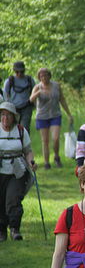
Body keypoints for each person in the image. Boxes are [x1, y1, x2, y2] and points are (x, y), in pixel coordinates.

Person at [0, 102, 37, 241]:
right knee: (1, 200)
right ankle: (1, 230)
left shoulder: (21, 131)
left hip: (17, 171)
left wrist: (31, 163)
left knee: (13, 200)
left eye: (8, 115)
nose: (5, 118)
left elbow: (28, 151)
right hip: (1, 170)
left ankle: (15, 229)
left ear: (14, 117)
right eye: (3, 114)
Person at [29, 67, 73, 169]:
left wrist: (69, 114)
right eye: (41, 76)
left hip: (55, 115)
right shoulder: (37, 87)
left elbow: (62, 100)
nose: (44, 78)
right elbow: (31, 99)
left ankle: (56, 156)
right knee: (45, 141)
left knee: (55, 138)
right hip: (42, 116)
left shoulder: (56, 86)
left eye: (45, 75)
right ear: (39, 77)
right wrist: (39, 93)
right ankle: (46, 163)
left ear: (49, 75)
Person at [3, 61, 35, 135]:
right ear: (14, 71)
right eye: (17, 72)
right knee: (13, 128)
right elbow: (5, 95)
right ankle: (15, 143)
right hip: (13, 108)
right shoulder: (10, 81)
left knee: (25, 128)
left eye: (22, 72)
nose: (20, 74)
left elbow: (34, 92)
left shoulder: (29, 80)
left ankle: (24, 144)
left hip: (26, 107)